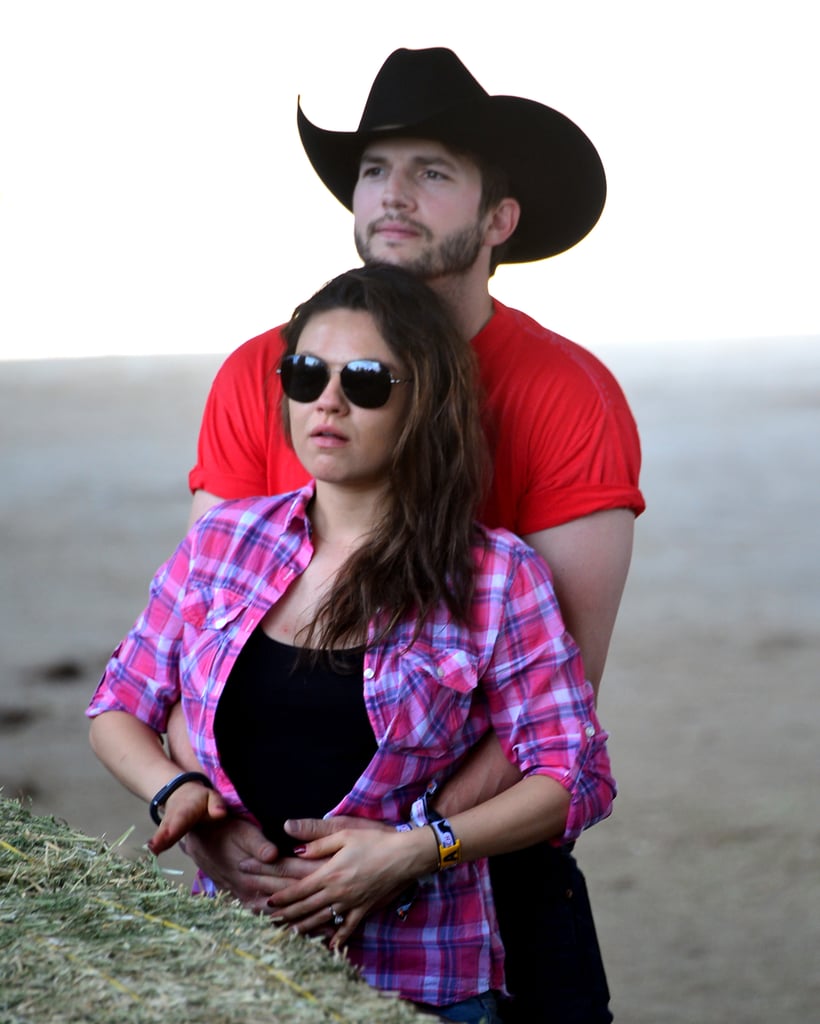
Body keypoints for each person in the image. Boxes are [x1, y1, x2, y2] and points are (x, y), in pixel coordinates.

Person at [178, 48, 645, 1022]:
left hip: (477, 872)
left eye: (433, 172)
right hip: (256, 865)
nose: (393, 195)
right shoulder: (265, 372)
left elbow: (558, 704)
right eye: (375, 170)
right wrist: (205, 818)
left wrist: (399, 846)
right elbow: (195, 650)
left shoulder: (567, 396)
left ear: (498, 220)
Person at [88, 264, 615, 1024]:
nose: (327, 401)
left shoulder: (497, 576)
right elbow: (118, 706)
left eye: (365, 379)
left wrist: (417, 850)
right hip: (231, 965)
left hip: (423, 978)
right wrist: (178, 795)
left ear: (424, 400)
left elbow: (577, 774)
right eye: (305, 373)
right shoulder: (221, 542)